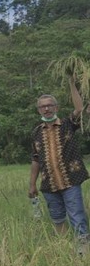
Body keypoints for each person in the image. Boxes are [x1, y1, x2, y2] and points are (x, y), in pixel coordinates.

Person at [29, 75, 89, 254]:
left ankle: (83, 251)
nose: (46, 109)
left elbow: (79, 108)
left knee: (77, 215)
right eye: (43, 106)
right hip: (49, 183)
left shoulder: (67, 124)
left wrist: (71, 83)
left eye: (49, 105)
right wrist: (32, 184)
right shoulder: (36, 132)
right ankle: (62, 249)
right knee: (56, 217)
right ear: (39, 110)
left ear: (56, 107)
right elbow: (35, 159)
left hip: (70, 179)